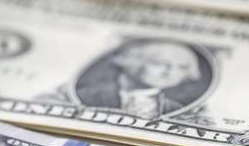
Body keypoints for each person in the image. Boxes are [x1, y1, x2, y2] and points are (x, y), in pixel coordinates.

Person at [73, 40, 206, 119]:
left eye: (181, 68)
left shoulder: (175, 109)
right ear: (133, 62)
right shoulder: (86, 95)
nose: (170, 72)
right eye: (160, 63)